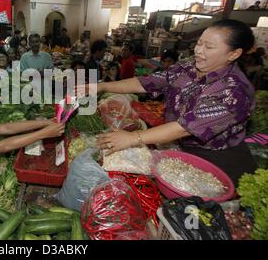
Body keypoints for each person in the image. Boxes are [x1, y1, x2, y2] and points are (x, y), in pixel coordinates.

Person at [79, 19, 258, 186]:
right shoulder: (188, 67)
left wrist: (134, 138)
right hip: (180, 147)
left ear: (234, 53)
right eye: (199, 43)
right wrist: (102, 86)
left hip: (216, 160)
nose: (199, 51)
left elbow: (185, 127)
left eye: (209, 47)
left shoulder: (234, 91)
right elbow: (146, 82)